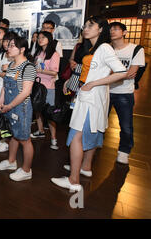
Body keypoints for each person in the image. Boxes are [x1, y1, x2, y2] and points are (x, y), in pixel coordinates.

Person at [51, 16, 127, 192]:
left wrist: (93, 83)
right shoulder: (95, 48)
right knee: (90, 132)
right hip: (88, 95)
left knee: (77, 136)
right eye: (85, 25)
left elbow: (121, 72)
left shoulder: (104, 48)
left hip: (91, 97)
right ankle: (84, 168)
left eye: (90, 25)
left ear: (101, 29)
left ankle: (73, 181)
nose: (86, 28)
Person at [0, 36, 36, 181]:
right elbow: (5, 86)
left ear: (22, 49)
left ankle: (26, 170)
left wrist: (9, 106)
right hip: (8, 106)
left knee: (24, 139)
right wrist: (1, 100)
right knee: (14, 135)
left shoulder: (28, 67)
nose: (9, 48)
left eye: (13, 46)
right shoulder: (11, 65)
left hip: (21, 108)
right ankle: (11, 162)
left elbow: (26, 92)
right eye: (9, 45)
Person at [109, 22, 146, 164]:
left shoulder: (136, 49)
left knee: (126, 125)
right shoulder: (107, 49)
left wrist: (111, 74)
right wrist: (120, 74)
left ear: (124, 32)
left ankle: (124, 151)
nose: (113, 31)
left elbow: (132, 73)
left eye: (116, 29)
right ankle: (94, 146)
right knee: (98, 122)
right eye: (111, 29)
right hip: (105, 90)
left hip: (124, 92)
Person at [30, 31, 60, 150]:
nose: (40, 39)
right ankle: (40, 130)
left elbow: (54, 72)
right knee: (37, 110)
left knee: (50, 113)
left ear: (49, 39)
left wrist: (40, 70)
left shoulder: (54, 54)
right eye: (39, 38)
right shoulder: (38, 53)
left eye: (43, 37)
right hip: (37, 85)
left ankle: (53, 138)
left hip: (48, 87)